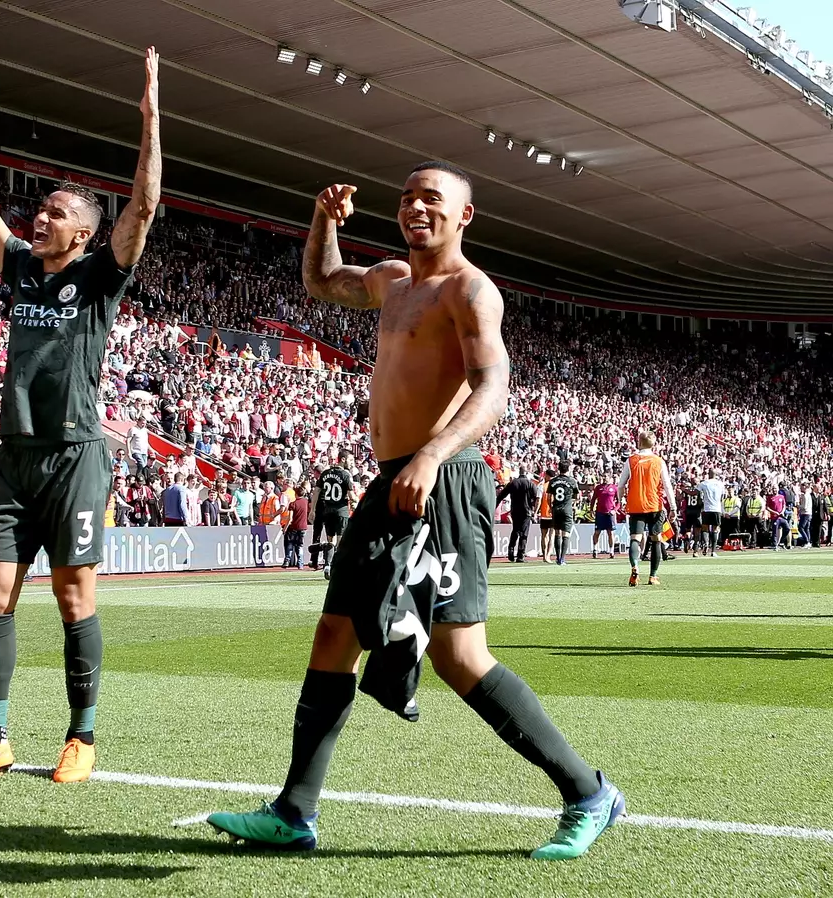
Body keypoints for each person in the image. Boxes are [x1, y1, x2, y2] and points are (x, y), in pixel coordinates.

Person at [208, 163, 622, 860]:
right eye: (406, 197)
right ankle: (294, 811)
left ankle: (589, 792)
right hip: (390, 481)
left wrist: (432, 456)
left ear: (464, 216)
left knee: (462, 658)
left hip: (447, 480)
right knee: (333, 635)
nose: (414, 207)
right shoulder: (393, 280)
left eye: (432, 198)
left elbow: (493, 390)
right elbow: (321, 282)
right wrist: (323, 221)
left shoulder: (471, 290)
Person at [0, 49, 160, 787]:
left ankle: (81, 737)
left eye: (56, 213)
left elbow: (145, 206)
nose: (40, 216)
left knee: (73, 597)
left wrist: (150, 119)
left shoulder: (99, 279)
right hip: (15, 456)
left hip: (75, 456)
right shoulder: (23, 268)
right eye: (41, 208)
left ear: (84, 234)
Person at [617, 430, 676, 586]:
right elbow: (667, 486)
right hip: (655, 505)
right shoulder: (659, 461)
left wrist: (621, 500)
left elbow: (621, 485)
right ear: (653, 444)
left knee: (635, 538)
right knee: (656, 539)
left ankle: (635, 567)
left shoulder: (631, 461)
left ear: (639, 442)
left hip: (636, 505)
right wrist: (673, 507)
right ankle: (653, 576)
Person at [310, 453, 353, 577]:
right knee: (340, 541)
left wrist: (312, 510)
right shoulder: (345, 475)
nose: (351, 462)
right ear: (343, 459)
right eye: (350, 460)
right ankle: (338, 568)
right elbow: (351, 496)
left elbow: (316, 491)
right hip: (341, 511)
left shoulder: (325, 473)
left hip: (327, 511)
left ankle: (327, 565)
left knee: (330, 540)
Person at [496, 468, 538, 562]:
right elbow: (535, 498)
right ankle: (520, 555)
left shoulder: (513, 483)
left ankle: (510, 552)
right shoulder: (530, 484)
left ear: (519, 472)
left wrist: (495, 504)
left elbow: (502, 495)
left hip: (515, 510)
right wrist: (533, 509)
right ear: (526, 473)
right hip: (526, 511)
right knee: (524, 533)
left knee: (515, 530)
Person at [546, 461, 579, 566]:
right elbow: (577, 496)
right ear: (568, 469)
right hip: (567, 509)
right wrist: (571, 502)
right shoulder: (572, 481)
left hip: (556, 509)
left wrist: (551, 507)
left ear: (558, 469)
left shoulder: (553, 481)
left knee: (557, 533)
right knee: (566, 534)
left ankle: (558, 557)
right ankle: (562, 559)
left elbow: (548, 497)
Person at [696, 471, 726, 558]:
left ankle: (706, 544)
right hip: (716, 509)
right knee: (715, 529)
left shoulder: (704, 483)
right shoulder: (720, 484)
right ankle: (713, 551)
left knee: (705, 527)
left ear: (708, 475)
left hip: (706, 509)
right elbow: (722, 497)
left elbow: (697, 494)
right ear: (715, 475)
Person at [591, 473, 619, 559]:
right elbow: (593, 499)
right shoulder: (598, 487)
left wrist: (614, 510)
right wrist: (591, 509)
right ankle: (595, 550)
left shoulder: (614, 488)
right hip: (600, 513)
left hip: (610, 513)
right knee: (597, 532)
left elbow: (619, 502)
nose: (604, 478)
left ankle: (611, 551)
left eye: (606, 477)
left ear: (610, 478)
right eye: (603, 477)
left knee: (610, 533)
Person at [283, 484, 309, 568]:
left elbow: (290, 518)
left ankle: (287, 561)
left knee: (290, 544)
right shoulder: (305, 502)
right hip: (303, 527)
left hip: (294, 527)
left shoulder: (293, 504)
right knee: (300, 545)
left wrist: (285, 528)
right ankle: (300, 563)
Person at [537, 468, 555, 563]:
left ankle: (544, 555)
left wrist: (535, 511)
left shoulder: (541, 486)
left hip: (544, 513)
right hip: (552, 514)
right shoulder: (555, 486)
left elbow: (538, 500)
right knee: (551, 535)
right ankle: (548, 555)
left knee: (544, 535)